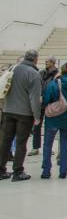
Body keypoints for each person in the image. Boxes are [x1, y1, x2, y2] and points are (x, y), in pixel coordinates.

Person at [0, 50, 42, 181]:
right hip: (24, 113)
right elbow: (34, 98)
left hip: (8, 110)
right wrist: (37, 116)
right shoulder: (34, 74)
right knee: (21, 142)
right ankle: (18, 171)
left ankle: (1, 170)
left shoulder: (14, 69)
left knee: (6, 140)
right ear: (35, 59)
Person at [40, 62, 67, 179]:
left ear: (62, 71)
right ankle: (63, 170)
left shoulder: (55, 83)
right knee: (65, 143)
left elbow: (47, 99)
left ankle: (46, 171)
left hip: (53, 118)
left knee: (48, 144)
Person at [29, 55, 58, 157]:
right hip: (40, 103)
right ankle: (35, 147)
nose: (46, 63)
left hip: (50, 104)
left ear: (52, 62)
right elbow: (37, 85)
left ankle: (48, 147)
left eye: (47, 61)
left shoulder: (57, 74)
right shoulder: (41, 73)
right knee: (36, 125)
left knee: (49, 127)